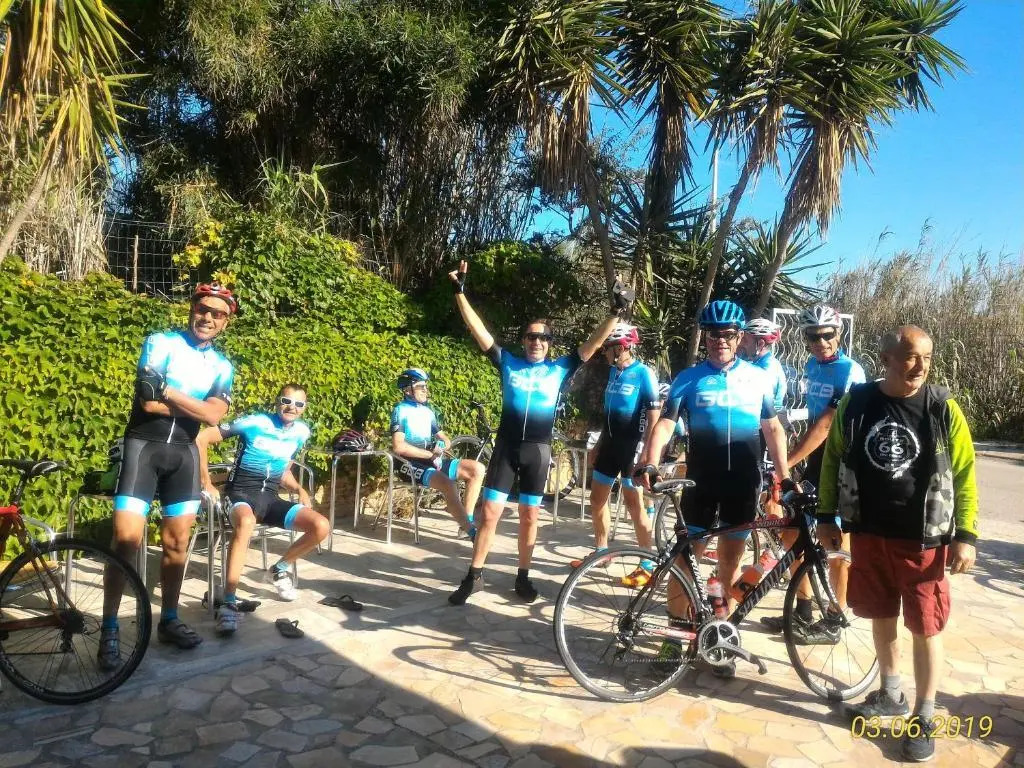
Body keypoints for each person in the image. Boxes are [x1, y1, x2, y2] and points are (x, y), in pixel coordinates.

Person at [817, 326, 978, 762]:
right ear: (886, 358)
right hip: (869, 532)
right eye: (910, 356)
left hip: (922, 539)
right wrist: (826, 515)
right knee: (881, 614)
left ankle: (924, 715)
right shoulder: (857, 403)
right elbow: (833, 459)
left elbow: (964, 472)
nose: (921, 366)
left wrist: (966, 535)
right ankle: (891, 693)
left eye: (927, 357)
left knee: (926, 626)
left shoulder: (941, 407)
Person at [446, 260, 630, 605]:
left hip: (537, 451)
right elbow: (477, 328)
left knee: (530, 515)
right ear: (524, 340)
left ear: (550, 343)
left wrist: (615, 313)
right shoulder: (508, 362)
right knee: (489, 513)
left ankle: (523, 576)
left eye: (543, 338)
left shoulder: (559, 369)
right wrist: (460, 293)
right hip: (507, 448)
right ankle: (474, 576)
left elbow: (592, 344)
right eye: (531, 336)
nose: (537, 342)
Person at [638, 299, 791, 677]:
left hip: (742, 482)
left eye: (727, 334)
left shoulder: (757, 378)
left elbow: (773, 428)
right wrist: (650, 460)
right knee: (684, 562)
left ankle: (720, 637)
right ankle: (675, 637)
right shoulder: (689, 378)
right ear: (704, 337)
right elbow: (665, 424)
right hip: (701, 481)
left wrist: (784, 476)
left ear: (739, 338)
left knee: (729, 562)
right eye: (712, 334)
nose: (720, 340)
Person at [100, 283, 237, 668]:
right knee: (125, 541)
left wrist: (170, 392)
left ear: (226, 322)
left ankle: (170, 620)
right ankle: (109, 627)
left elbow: (214, 416)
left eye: (217, 314)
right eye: (203, 308)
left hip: (184, 455)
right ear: (192, 308)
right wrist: (196, 406)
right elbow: (148, 400)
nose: (208, 317)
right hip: (144, 447)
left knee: (177, 543)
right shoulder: (160, 342)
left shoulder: (223, 366)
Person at [761, 304, 866, 639]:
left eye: (827, 334)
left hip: (844, 462)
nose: (821, 341)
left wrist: (786, 462)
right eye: (813, 336)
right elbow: (813, 415)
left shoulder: (849, 371)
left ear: (839, 333)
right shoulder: (812, 366)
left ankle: (835, 619)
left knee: (835, 543)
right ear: (804, 338)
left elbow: (825, 425)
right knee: (793, 532)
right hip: (818, 460)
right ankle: (803, 611)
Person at [196, 383, 330, 635]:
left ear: (304, 408)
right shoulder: (255, 422)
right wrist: (206, 482)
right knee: (246, 522)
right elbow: (202, 438)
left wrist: (300, 489)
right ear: (277, 401)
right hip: (240, 494)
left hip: (270, 498)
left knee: (321, 526)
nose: (292, 407)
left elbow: (284, 472)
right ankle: (228, 603)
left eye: (298, 404)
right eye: (286, 401)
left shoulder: (301, 432)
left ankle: (278, 570)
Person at [569, 323, 660, 585]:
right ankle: (602, 552)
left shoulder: (643, 374)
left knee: (635, 506)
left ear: (621, 348)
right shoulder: (613, 373)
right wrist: (598, 445)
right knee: (597, 500)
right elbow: (608, 415)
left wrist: (646, 455)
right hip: (609, 446)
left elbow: (654, 418)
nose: (604, 352)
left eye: (608, 348)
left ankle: (647, 564)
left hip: (632, 450)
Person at [389, 368, 486, 538]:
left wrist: (443, 445)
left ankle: (466, 522)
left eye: (426, 386)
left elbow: (445, 438)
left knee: (477, 469)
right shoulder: (401, 410)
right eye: (421, 387)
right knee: (448, 483)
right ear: (407, 390)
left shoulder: (428, 412)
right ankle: (472, 534)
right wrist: (429, 455)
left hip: (431, 459)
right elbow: (399, 447)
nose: (425, 390)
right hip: (408, 463)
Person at [739, 318, 787, 412]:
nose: (741, 344)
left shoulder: (767, 367)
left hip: (770, 417)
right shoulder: (760, 362)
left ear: (760, 344)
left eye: (745, 340)